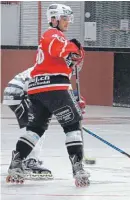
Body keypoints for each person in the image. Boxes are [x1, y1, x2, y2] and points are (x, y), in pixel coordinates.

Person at [6, 4, 89, 187]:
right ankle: (78, 168)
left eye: (68, 19)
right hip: (53, 88)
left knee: (36, 129)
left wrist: (72, 56)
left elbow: (62, 64)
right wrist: (73, 47)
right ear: (54, 19)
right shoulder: (52, 34)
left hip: (38, 89)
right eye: (64, 18)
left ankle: (16, 163)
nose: (67, 22)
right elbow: (57, 49)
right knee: (73, 125)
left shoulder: (55, 36)